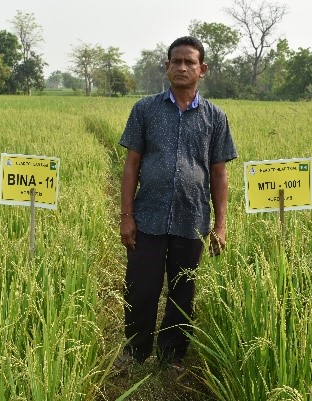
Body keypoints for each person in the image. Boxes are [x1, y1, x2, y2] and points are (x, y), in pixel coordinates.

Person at [115, 36, 237, 375]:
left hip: (192, 219)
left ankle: (172, 357)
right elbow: (131, 165)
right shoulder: (145, 109)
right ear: (167, 67)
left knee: (183, 291)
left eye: (189, 62)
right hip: (148, 217)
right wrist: (126, 217)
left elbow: (219, 174)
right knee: (141, 288)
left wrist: (221, 225)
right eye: (176, 62)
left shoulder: (215, 117)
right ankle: (135, 351)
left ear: (202, 69)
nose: (182, 67)